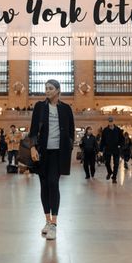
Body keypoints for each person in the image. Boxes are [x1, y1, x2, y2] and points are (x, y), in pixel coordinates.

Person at [29, 79, 74, 240]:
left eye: (50, 88)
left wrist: (68, 148)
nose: (47, 91)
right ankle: (47, 221)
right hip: (42, 153)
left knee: (53, 183)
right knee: (44, 185)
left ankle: (54, 224)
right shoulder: (39, 107)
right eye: (46, 88)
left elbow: (71, 132)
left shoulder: (66, 109)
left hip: (58, 153)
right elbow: (33, 130)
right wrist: (33, 147)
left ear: (58, 90)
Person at [100, 117, 124, 184]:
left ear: (113, 121)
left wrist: (120, 145)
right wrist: (101, 150)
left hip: (116, 149)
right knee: (107, 163)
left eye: (111, 121)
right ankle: (110, 172)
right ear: (108, 122)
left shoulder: (118, 130)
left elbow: (122, 139)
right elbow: (102, 141)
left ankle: (114, 178)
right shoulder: (105, 130)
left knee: (116, 164)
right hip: (108, 149)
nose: (110, 122)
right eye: (109, 121)